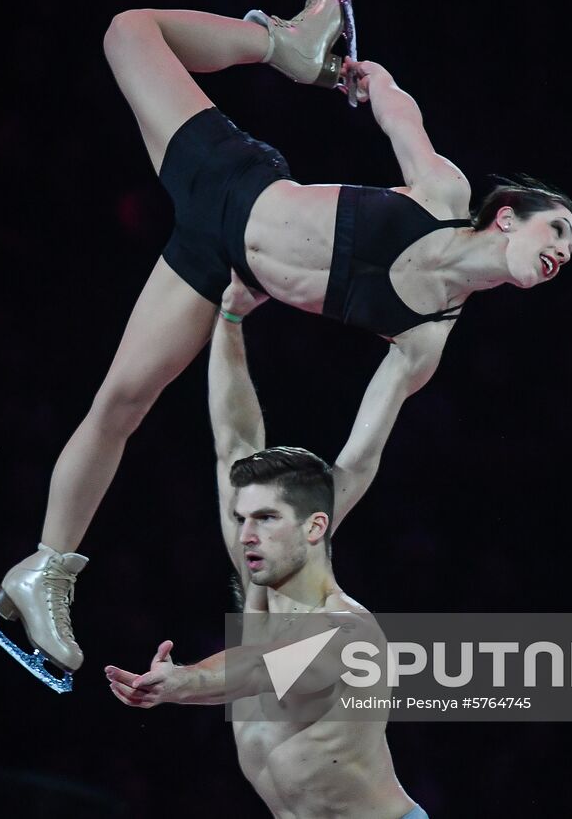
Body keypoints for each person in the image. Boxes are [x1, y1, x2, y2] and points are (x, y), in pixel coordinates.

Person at [0, 0, 572, 680]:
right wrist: (371, 80)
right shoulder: (444, 196)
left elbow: (357, 461)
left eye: (568, 252)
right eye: (556, 228)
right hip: (234, 182)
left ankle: (42, 571)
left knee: (120, 403)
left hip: (217, 261)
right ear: (507, 216)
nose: (561, 251)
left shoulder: (427, 338)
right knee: (128, 30)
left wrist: (306, 544)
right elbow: (401, 116)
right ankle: (280, 43)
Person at [105, 274, 429, 818]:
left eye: (266, 519)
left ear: (313, 527)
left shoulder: (349, 634)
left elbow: (259, 669)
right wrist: (229, 319)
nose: (244, 533)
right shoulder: (260, 580)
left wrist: (182, 681)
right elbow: (231, 442)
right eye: (242, 519)